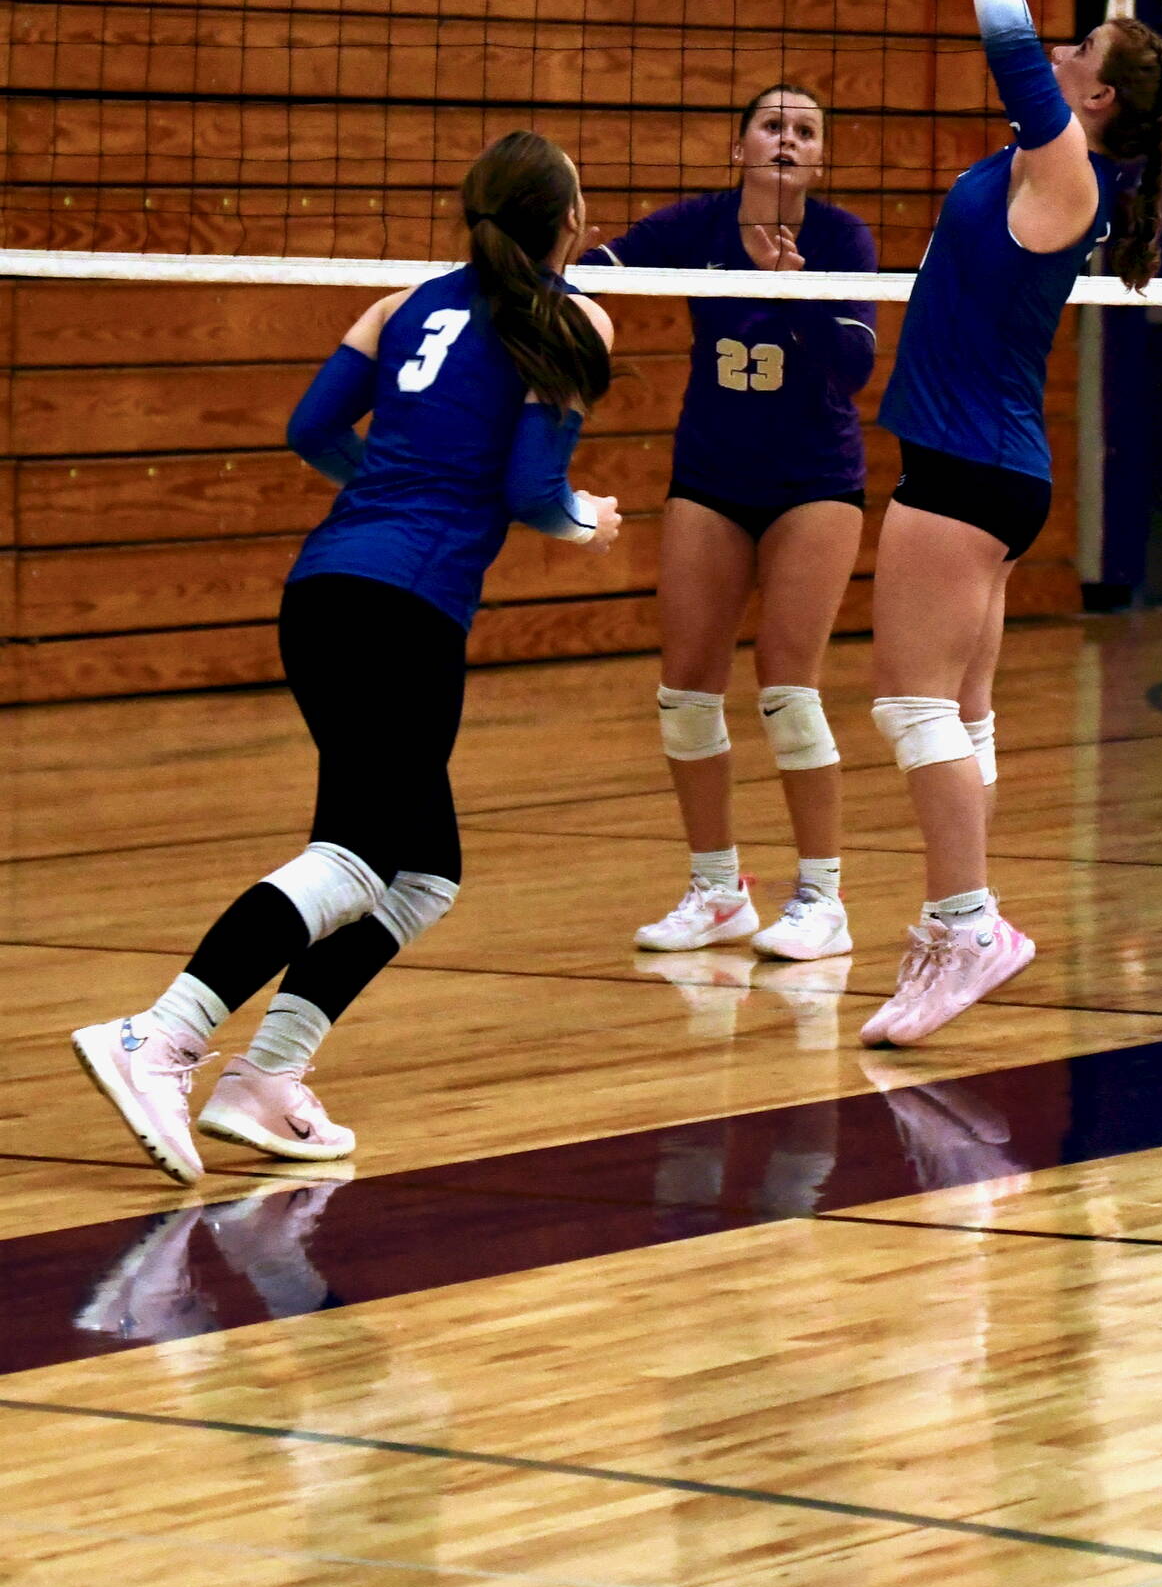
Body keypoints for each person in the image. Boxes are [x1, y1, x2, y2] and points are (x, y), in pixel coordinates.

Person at [71, 132, 621, 1186]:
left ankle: (266, 1076)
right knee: (361, 855)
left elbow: (311, 426)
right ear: (565, 223)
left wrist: (398, 485)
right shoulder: (573, 318)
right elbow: (528, 490)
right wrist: (582, 520)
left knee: (422, 870)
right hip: (405, 611)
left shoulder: (402, 300)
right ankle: (162, 1035)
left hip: (325, 592)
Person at [860, 0, 1162, 1046]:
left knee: (910, 708)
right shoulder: (1044, 167)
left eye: (1077, 56)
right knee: (963, 712)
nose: (1056, 54)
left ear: (1093, 102)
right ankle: (957, 924)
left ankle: (967, 923)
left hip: (964, 466)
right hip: (987, 463)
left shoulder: (1066, 173)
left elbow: (1006, 45)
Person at [584, 87, 878, 962]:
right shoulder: (698, 224)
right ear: (739, 145)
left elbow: (856, 367)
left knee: (787, 687)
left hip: (814, 482)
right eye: (772, 125)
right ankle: (717, 891)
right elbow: (607, 266)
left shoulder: (842, 238)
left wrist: (797, 295)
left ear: (818, 158)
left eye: (806, 131)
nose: (787, 139)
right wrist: (542, 262)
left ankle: (822, 899)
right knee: (685, 692)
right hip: (711, 477)